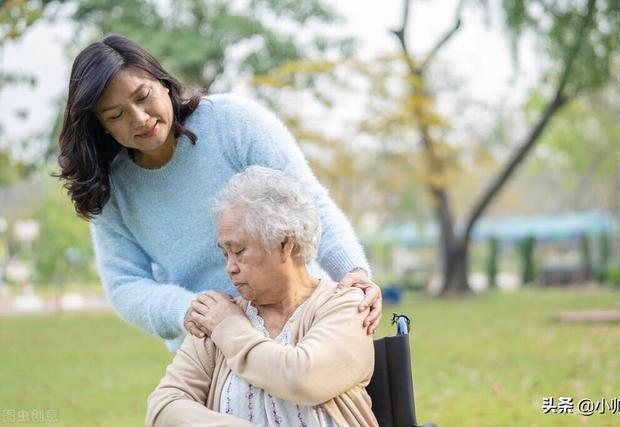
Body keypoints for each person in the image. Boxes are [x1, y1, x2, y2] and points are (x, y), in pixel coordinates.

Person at [56, 34, 381, 351]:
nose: (140, 119)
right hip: (212, 346)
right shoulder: (111, 187)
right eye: (116, 115)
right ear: (103, 126)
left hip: (302, 323)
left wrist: (352, 272)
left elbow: (309, 202)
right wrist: (190, 309)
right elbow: (124, 285)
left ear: (164, 83)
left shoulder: (233, 122)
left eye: (143, 96)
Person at [146, 166, 377, 427]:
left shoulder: (347, 306)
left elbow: (302, 378)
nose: (230, 267)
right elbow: (164, 407)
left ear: (284, 243)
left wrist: (229, 329)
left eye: (239, 251)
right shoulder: (216, 317)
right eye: (225, 254)